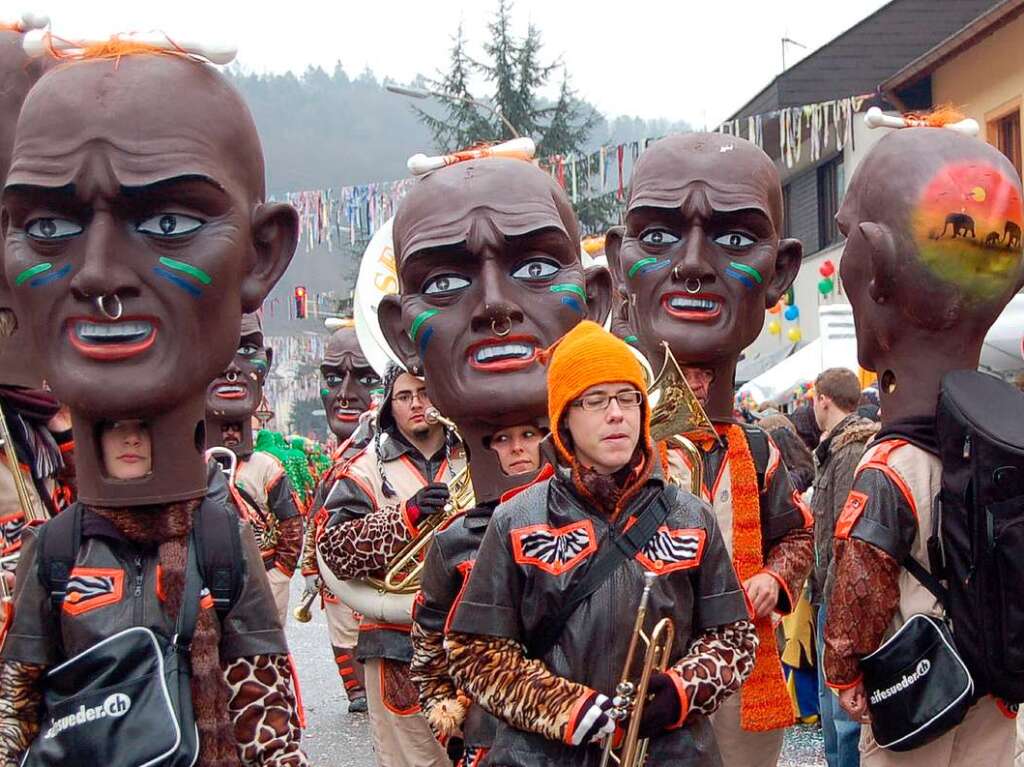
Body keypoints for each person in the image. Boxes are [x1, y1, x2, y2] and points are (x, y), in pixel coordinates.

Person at [0, 42, 305, 765]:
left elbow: (266, 710)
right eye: (48, 227)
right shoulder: (55, 551)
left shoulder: (223, 543)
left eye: (167, 223)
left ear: (261, 257)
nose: (101, 275)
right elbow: (17, 710)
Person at [444, 320, 756, 765]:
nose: (616, 413)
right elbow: (475, 652)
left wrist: (683, 690)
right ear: (565, 419)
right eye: (595, 400)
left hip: (672, 753)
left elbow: (735, 637)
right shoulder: (515, 519)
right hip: (543, 756)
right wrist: (564, 708)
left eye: (628, 398)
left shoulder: (692, 514)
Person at [606, 132, 814, 767]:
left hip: (743, 681)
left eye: (732, 239)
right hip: (636, 682)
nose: (693, 264)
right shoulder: (605, 451)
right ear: (618, 264)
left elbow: (800, 535)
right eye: (660, 237)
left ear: (779, 272)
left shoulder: (760, 448)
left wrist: (774, 582)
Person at [824, 123, 1024, 765]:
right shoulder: (1008, 443)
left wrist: (842, 671)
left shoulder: (891, 465)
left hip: (924, 699)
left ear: (876, 266)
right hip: (996, 693)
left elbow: (860, 586)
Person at [316, 365, 464, 767]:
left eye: (425, 391)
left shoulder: (475, 455)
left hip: (470, 637)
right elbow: (335, 549)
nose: (417, 403)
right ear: (389, 407)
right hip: (396, 642)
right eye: (404, 396)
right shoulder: (363, 469)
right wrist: (406, 516)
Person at [410, 421, 546, 766]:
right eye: (503, 438)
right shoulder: (453, 540)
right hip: (487, 732)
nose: (517, 447)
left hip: (575, 728)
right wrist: (441, 706)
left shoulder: (590, 522)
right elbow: (428, 634)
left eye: (529, 435)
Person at [300, 322, 380, 713]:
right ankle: (357, 691)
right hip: (337, 571)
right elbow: (318, 512)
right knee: (343, 629)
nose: (346, 394)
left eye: (364, 378)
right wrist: (309, 562)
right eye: (333, 377)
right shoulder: (336, 457)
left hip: (386, 571)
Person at [207, 313, 304, 626]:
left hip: (264, 579)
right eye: (217, 350)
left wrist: (279, 574)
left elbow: (291, 525)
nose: (233, 370)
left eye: (247, 351)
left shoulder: (267, 467)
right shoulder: (184, 463)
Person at [808, 368, 877, 767]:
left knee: (841, 711)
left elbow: (843, 536)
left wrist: (835, 601)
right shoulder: (837, 445)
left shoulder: (849, 448)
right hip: (830, 594)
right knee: (831, 706)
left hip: (839, 599)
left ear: (822, 399)